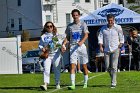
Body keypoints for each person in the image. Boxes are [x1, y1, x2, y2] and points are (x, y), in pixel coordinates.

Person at [61, 9, 89, 90]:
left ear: (79, 15)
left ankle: (85, 83)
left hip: (81, 47)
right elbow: (67, 37)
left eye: (77, 15)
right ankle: (72, 84)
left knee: (84, 66)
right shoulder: (69, 26)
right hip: (73, 47)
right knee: (72, 66)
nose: (75, 16)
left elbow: (86, 35)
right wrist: (64, 44)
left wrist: (81, 41)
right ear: (72, 16)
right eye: (74, 15)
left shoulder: (83, 24)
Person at [98, 14, 124, 88]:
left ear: (114, 20)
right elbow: (100, 37)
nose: (110, 21)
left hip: (116, 49)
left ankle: (113, 82)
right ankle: (113, 78)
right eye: (109, 20)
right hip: (106, 49)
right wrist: (100, 46)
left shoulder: (118, 27)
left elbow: (121, 36)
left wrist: (121, 43)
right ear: (107, 20)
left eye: (111, 20)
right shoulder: (103, 28)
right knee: (107, 67)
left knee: (114, 66)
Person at [39, 21, 62, 91]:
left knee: (57, 69)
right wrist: (42, 48)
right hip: (47, 55)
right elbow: (40, 45)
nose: (49, 27)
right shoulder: (43, 36)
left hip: (56, 54)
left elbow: (59, 44)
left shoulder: (55, 35)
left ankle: (57, 83)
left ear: (53, 27)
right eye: (48, 26)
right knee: (46, 69)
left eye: (51, 26)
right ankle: (45, 84)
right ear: (45, 27)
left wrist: (60, 46)